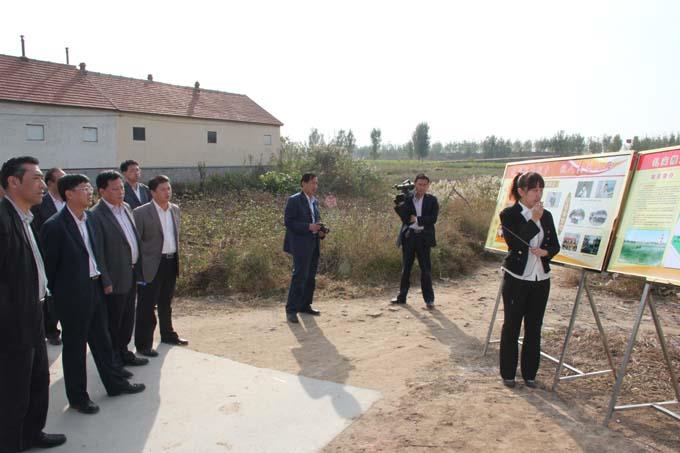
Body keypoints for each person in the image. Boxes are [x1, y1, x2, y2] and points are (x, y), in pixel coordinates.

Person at [41, 174, 145, 415]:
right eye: (84, 189)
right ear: (69, 194)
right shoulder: (54, 226)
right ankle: (78, 397)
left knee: (103, 341)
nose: (89, 193)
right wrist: (61, 297)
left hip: (95, 288)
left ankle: (115, 384)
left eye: (89, 188)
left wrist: (103, 280)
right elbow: (50, 269)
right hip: (72, 295)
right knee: (75, 348)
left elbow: (96, 253)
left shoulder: (89, 219)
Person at [0, 157, 66, 451]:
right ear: (13, 182)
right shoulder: (3, 220)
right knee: (13, 389)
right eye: (36, 178)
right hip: (13, 322)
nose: (43, 185)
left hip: (34, 311)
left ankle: (31, 434)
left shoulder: (25, 217)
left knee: (37, 379)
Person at [498, 172, 560, 388]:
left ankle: (530, 374)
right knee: (512, 325)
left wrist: (546, 252)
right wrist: (533, 219)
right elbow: (515, 244)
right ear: (521, 191)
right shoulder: (509, 214)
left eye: (541, 190)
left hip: (541, 278)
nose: (538, 194)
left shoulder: (547, 215)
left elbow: (555, 245)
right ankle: (508, 373)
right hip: (517, 278)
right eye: (534, 190)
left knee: (534, 327)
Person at [90, 171, 149, 371]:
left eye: (122, 187)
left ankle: (124, 352)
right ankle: (114, 360)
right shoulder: (96, 215)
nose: (120, 192)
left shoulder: (126, 207)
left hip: (131, 272)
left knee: (127, 318)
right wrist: (105, 280)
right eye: (115, 189)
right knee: (113, 321)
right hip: (114, 277)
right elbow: (98, 252)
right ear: (102, 191)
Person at [133, 175, 187, 357]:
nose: (167, 192)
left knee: (166, 302)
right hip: (151, 264)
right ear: (153, 192)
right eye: (163, 189)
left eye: (169, 188)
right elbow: (136, 241)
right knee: (146, 306)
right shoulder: (141, 213)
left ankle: (168, 334)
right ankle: (144, 344)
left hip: (171, 261)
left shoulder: (175, 210)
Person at [283, 173, 327, 324]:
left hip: (313, 244)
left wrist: (320, 230)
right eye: (313, 183)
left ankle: (305, 305)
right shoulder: (294, 200)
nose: (315, 186)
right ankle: (291, 310)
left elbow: (316, 220)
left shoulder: (314, 201)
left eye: (317, 183)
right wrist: (308, 227)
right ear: (303, 183)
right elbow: (289, 222)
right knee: (299, 276)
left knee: (310, 277)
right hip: (300, 245)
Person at [391, 173, 439, 309]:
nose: (422, 187)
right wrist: (399, 204)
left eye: (424, 185)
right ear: (415, 184)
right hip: (409, 237)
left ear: (428, 186)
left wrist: (417, 219)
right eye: (419, 184)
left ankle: (429, 300)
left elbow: (433, 219)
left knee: (426, 270)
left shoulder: (432, 200)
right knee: (406, 268)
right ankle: (401, 297)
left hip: (424, 238)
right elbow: (405, 218)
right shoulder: (408, 198)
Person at [31, 167, 66, 346]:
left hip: (69, 257)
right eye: (60, 180)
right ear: (50, 183)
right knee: (50, 296)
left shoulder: (70, 200)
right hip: (49, 256)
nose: (64, 182)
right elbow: (37, 231)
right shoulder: (39, 204)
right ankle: (51, 330)